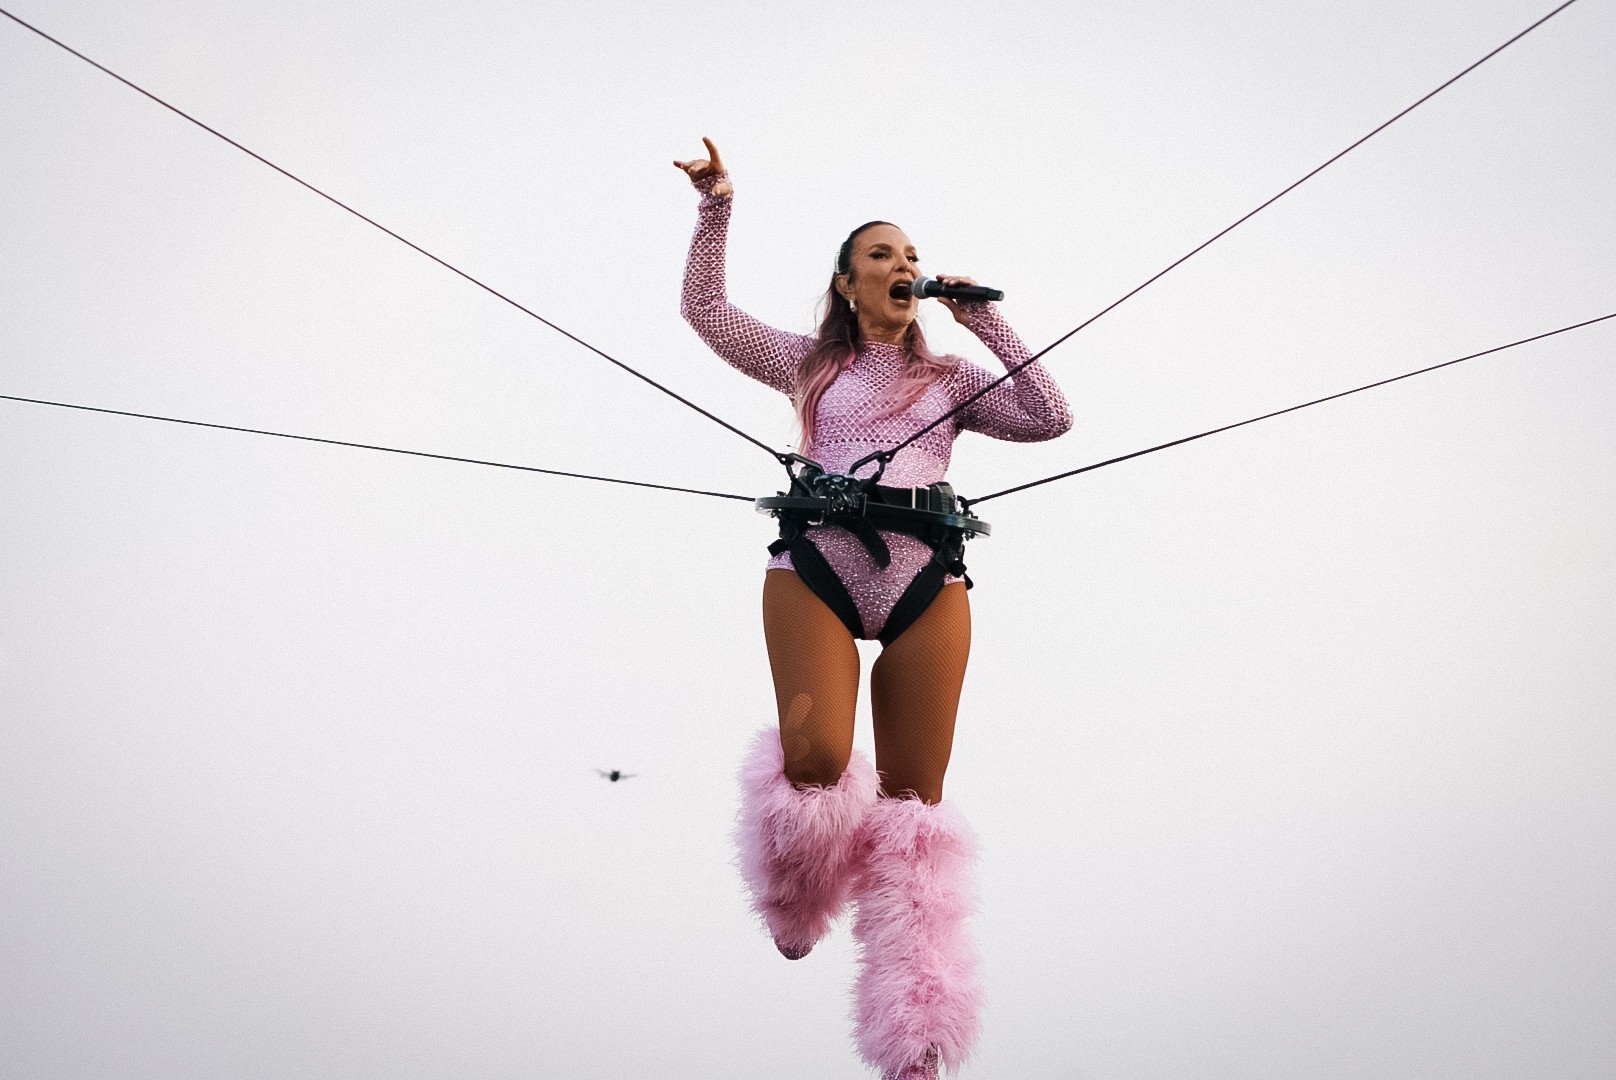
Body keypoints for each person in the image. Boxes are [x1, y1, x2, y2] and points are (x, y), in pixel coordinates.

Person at [675, 138, 1071, 1080]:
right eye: (880, 255)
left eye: (909, 254)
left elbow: (1049, 417)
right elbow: (705, 312)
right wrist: (716, 208)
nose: (901, 264)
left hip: (927, 580)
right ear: (847, 284)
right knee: (813, 762)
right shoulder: (807, 362)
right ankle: (797, 898)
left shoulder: (952, 382)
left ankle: (918, 1039)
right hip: (816, 561)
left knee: (915, 810)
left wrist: (987, 326)